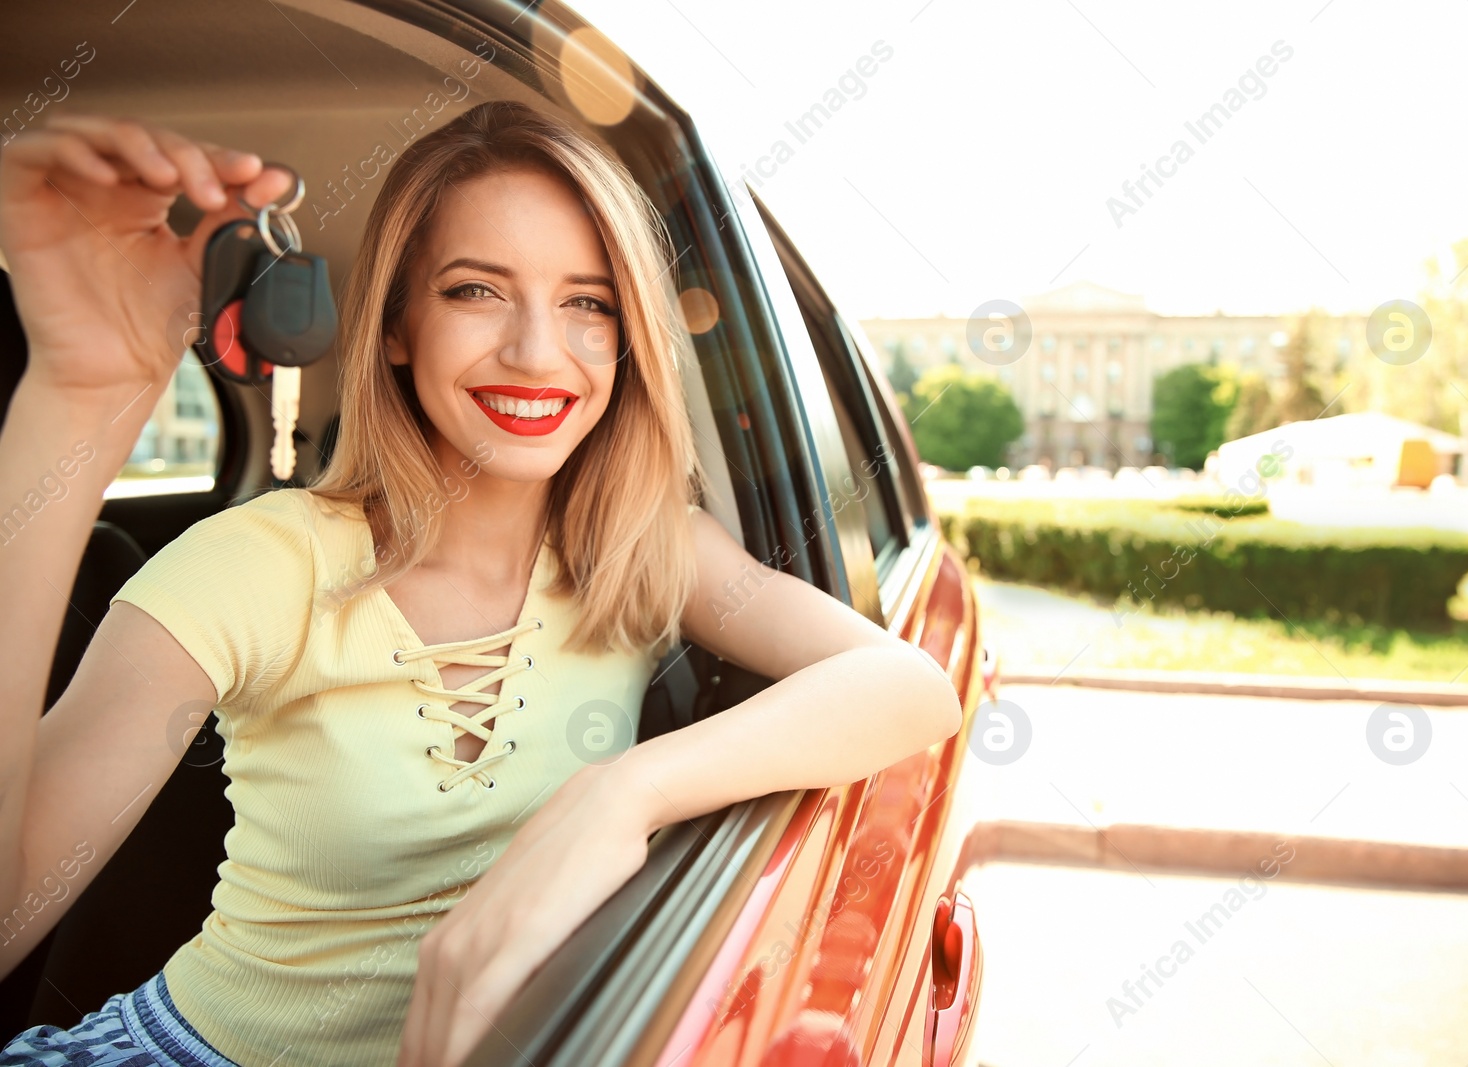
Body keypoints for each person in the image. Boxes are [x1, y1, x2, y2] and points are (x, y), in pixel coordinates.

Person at [0, 101, 962, 1067]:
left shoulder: (639, 545)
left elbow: (911, 685)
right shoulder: (258, 562)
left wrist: (625, 794)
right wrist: (79, 395)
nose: (539, 352)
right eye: (475, 291)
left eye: (589, 302)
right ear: (396, 329)